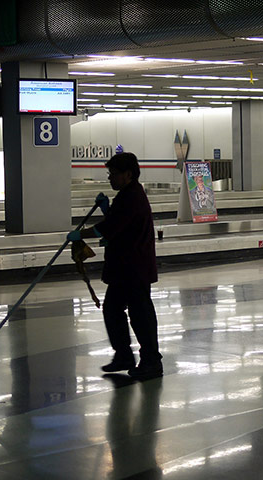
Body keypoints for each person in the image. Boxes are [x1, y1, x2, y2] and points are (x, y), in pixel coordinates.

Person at [67, 152, 163, 380]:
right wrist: (106, 209)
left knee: (140, 315)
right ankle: (123, 356)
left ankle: (151, 361)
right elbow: (119, 222)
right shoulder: (127, 195)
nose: (110, 178)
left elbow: (109, 227)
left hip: (134, 267)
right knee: (112, 309)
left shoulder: (132, 197)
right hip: (125, 268)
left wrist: (81, 234)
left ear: (128, 174)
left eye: (113, 174)